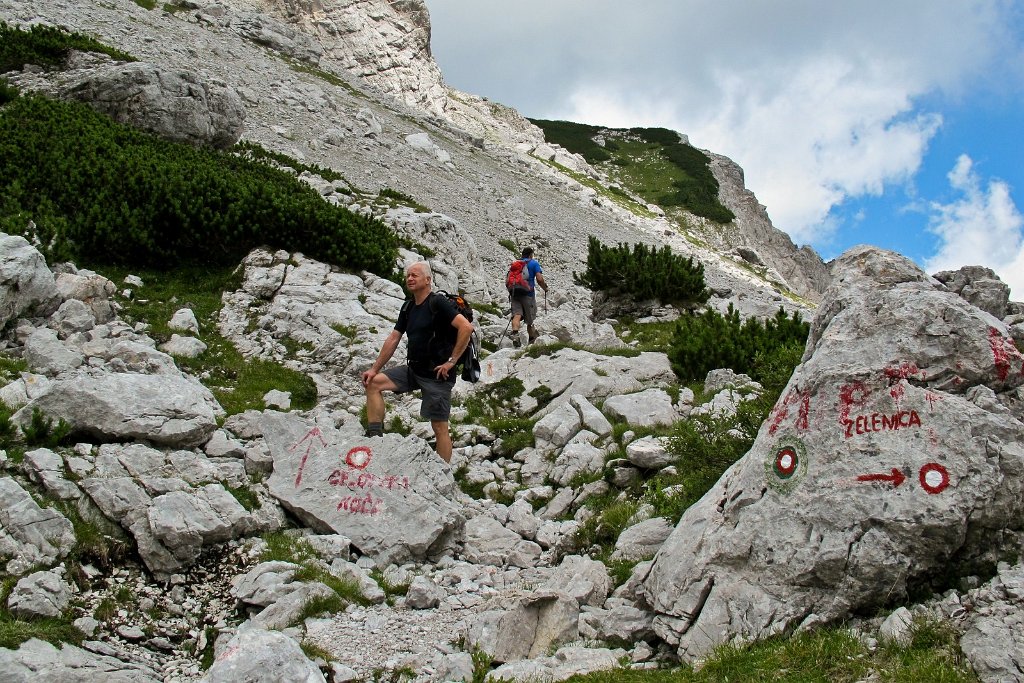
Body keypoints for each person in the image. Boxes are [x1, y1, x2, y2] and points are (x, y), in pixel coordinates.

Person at [361, 261, 473, 463]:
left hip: (438, 376)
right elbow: (394, 338)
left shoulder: (437, 303)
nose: (410, 279)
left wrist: (451, 361)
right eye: (408, 276)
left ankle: (443, 473)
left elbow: (466, 327)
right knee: (373, 382)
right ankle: (375, 436)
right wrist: (374, 369)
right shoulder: (408, 307)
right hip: (414, 370)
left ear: (428, 280)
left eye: (415, 275)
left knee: (439, 427)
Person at [509, 246, 548, 347]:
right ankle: (531, 342)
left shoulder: (515, 264)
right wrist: (545, 288)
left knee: (517, 314)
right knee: (529, 321)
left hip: (515, 293)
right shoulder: (534, 263)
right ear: (531, 254)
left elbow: (507, 280)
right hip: (528, 295)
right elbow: (539, 279)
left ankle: (515, 334)